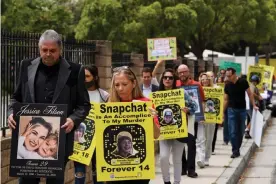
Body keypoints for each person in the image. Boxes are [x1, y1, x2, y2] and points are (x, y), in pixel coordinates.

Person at [8, 29, 91, 184]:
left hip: (57, 144)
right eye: (44, 50)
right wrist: (11, 112)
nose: (48, 54)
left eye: (52, 51)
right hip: (29, 143)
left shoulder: (75, 70)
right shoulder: (26, 66)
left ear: (60, 50)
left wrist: (73, 120)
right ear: (39, 49)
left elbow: (84, 105)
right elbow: (15, 98)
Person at [107, 66, 160, 184]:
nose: (120, 88)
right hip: (115, 165)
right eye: (117, 85)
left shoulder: (145, 103)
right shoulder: (109, 105)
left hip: (139, 164)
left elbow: (156, 135)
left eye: (124, 84)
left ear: (134, 83)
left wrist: (150, 119)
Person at [158, 68, 197, 184]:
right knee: (163, 157)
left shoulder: (181, 93)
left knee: (177, 160)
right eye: (165, 77)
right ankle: (166, 181)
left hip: (179, 131)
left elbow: (194, 106)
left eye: (170, 77)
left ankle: (176, 182)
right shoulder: (157, 94)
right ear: (162, 80)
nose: (168, 80)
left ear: (174, 80)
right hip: (163, 132)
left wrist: (187, 110)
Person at [74, 64, 109, 184]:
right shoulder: (76, 95)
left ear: (95, 77)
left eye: (87, 76)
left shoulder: (104, 96)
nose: (84, 79)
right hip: (80, 140)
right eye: (82, 76)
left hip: (98, 140)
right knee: (79, 173)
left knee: (98, 173)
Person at [176, 64, 205, 178]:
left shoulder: (197, 85)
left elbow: (201, 101)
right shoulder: (176, 85)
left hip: (192, 118)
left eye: (184, 72)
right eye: (180, 73)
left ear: (189, 72)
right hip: (179, 119)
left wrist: (202, 116)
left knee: (191, 144)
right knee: (180, 145)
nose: (182, 74)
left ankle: (191, 170)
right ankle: (183, 168)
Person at [224, 68, 258, 158]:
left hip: (242, 110)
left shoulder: (243, 82)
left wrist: (254, 105)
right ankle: (235, 150)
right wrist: (222, 112)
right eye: (226, 76)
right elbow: (226, 99)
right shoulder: (227, 85)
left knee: (240, 131)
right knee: (232, 131)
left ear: (235, 74)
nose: (228, 77)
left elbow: (250, 94)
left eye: (229, 76)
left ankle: (237, 148)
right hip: (231, 110)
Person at [196, 73, 217, 168]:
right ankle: (201, 157)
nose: (204, 81)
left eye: (206, 79)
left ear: (209, 80)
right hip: (201, 117)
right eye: (202, 79)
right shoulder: (197, 89)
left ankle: (207, 157)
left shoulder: (215, 89)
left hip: (211, 118)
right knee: (201, 139)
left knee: (209, 138)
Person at [245, 75, 262, 139]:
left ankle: (249, 132)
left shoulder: (253, 86)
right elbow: (252, 93)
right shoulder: (252, 86)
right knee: (253, 118)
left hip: (251, 105)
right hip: (251, 105)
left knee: (251, 118)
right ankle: (247, 130)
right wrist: (258, 97)